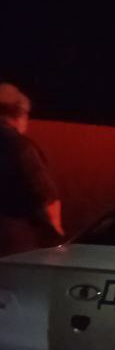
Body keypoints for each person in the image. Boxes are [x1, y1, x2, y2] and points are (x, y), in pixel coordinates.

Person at [0, 83, 63, 256]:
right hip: (14, 242)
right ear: (19, 115)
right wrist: (57, 238)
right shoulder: (21, 147)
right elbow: (46, 197)